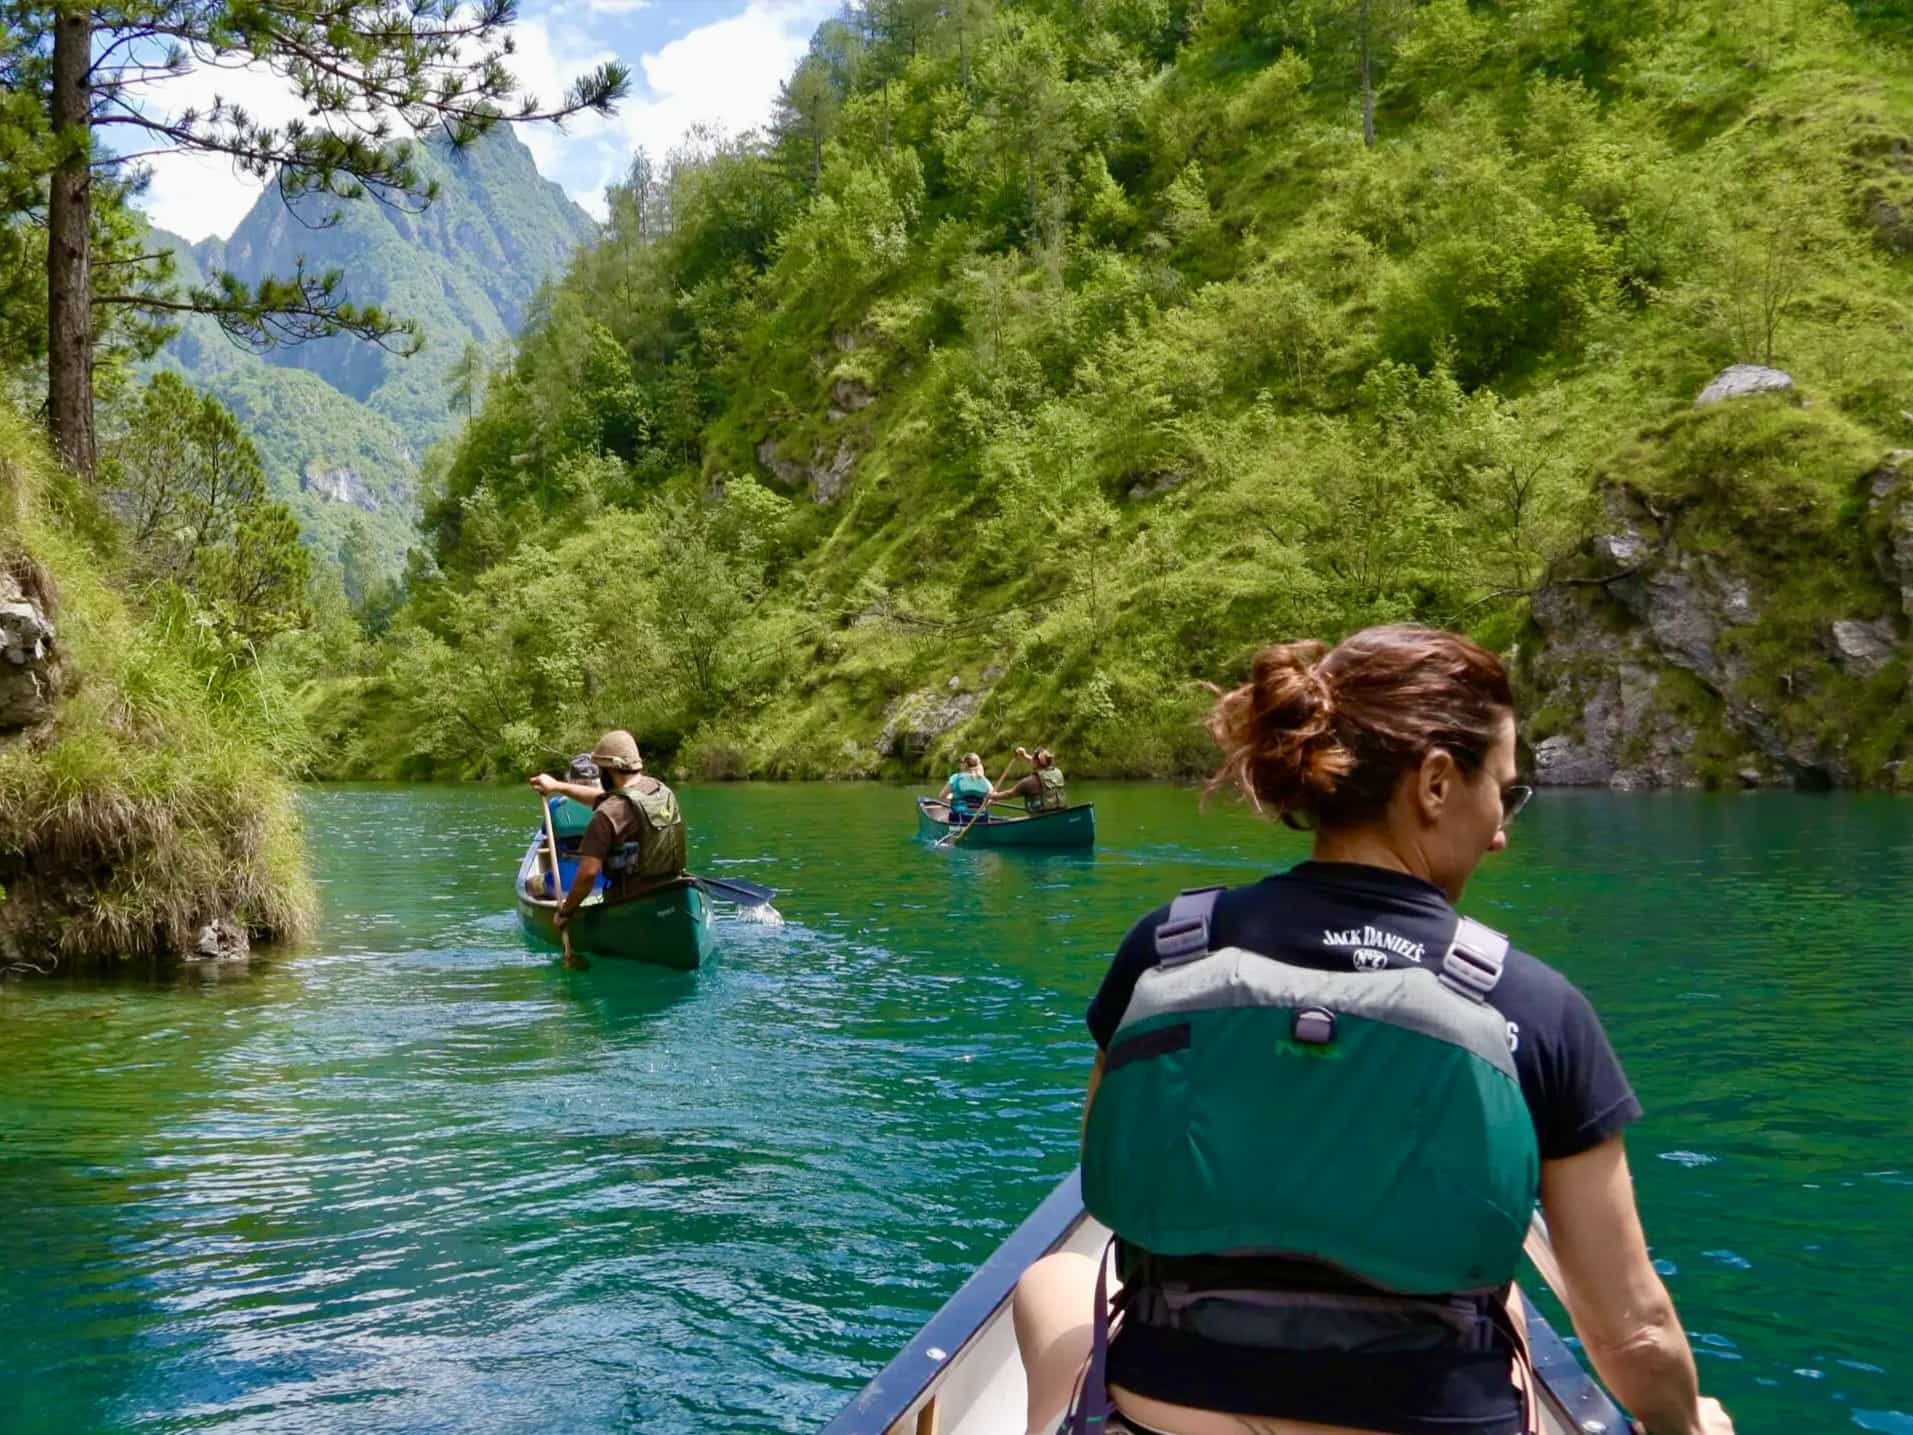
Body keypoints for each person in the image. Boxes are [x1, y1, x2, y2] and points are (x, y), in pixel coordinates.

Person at [1013, 625, 1734, 1435]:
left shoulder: (1166, 948)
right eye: (1504, 789)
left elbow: (1112, 1168)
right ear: (1433, 782)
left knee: (1049, 1283)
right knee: (1507, 1311)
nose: (1501, 829)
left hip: (1165, 1415)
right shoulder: (1533, 1005)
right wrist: (1687, 1425)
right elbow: (1631, 1329)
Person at [527, 729, 687, 931]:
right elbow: (604, 799)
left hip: (631, 900)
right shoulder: (659, 791)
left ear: (606, 771)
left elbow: (588, 874)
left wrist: (565, 912)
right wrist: (557, 786)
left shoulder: (606, 814)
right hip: (669, 889)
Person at [996, 745, 1068, 813]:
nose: (1031, 760)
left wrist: (993, 796)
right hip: (1058, 811)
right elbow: (1041, 764)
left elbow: (1009, 794)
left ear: (1036, 761)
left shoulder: (1030, 781)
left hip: (1042, 815)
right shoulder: (1057, 772)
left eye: (1033, 758)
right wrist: (1025, 755)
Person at [939, 752, 993, 821]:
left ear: (965, 764)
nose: (960, 765)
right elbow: (993, 798)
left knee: (951, 812)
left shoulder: (955, 778)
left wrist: (952, 800)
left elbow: (942, 796)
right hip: (981, 818)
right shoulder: (984, 780)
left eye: (961, 762)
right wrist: (984, 805)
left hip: (961, 818)